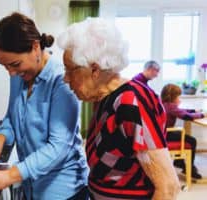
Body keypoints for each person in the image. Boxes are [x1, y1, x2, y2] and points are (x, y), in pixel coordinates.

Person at [58, 18, 180, 200]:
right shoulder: (105, 99)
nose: (65, 79)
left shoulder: (131, 102)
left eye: (70, 70)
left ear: (95, 70)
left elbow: (168, 187)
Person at [0, 12, 89, 200]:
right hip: (31, 185)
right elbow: (12, 116)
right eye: (5, 66)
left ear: (35, 47)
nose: (10, 73)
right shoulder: (20, 75)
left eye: (15, 64)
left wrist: (9, 176)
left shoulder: (62, 82)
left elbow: (59, 147)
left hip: (63, 190)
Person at [161, 83, 204, 179]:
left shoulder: (164, 104)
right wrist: (202, 115)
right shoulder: (171, 106)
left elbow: (182, 111)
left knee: (181, 134)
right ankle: (189, 169)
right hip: (166, 134)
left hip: (162, 133)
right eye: (178, 97)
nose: (179, 99)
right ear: (172, 97)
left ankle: (179, 161)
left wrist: (194, 111)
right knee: (192, 140)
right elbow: (186, 116)